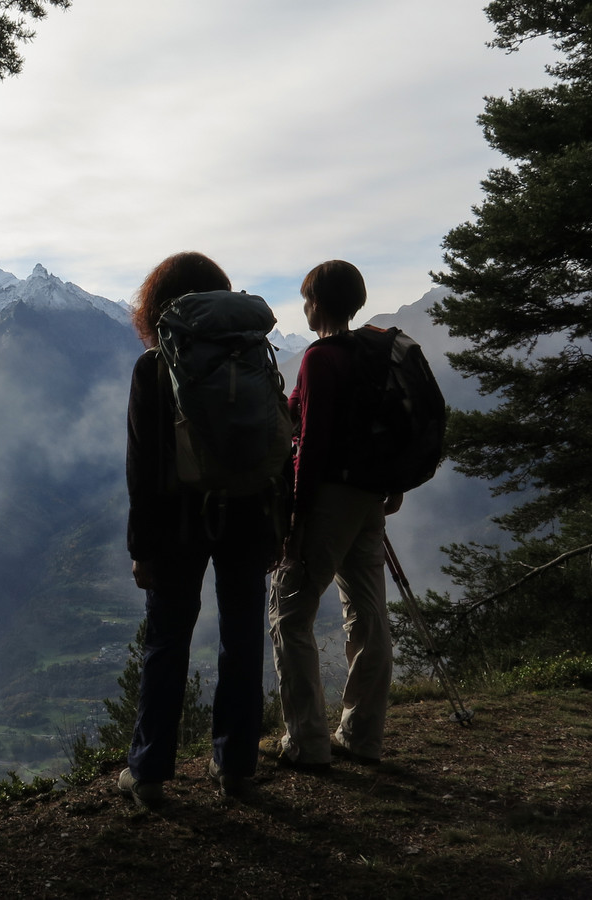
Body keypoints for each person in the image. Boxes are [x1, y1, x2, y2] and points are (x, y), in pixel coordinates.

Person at [118, 252, 283, 805]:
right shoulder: (256, 355)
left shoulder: (153, 367)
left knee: (167, 641)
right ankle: (235, 766)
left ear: (157, 304)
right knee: (241, 639)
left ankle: (148, 774)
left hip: (176, 523)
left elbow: (142, 471)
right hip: (247, 513)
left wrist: (141, 547)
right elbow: (275, 440)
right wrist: (274, 526)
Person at [269, 259, 400, 769]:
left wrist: (297, 521)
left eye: (306, 298)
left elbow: (314, 445)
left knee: (289, 614)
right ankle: (362, 736)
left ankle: (307, 742)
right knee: (368, 615)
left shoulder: (320, 359)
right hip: (369, 497)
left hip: (329, 499)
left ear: (317, 302)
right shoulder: (370, 352)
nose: (303, 306)